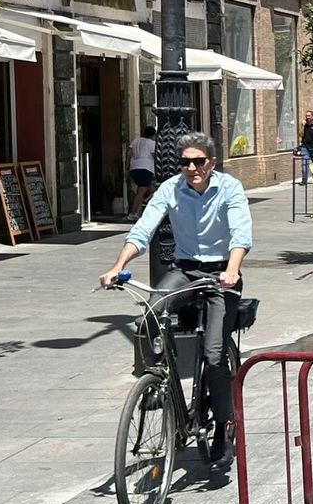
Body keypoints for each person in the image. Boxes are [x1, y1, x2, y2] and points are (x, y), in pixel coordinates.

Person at [100, 132, 252, 467]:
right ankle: (157, 380)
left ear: (211, 163)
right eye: (185, 162)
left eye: (198, 161)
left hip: (221, 274)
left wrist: (232, 269)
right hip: (185, 270)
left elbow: (241, 234)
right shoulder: (170, 188)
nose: (192, 168)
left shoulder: (229, 188)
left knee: (214, 355)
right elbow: (143, 229)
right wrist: (117, 266)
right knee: (150, 314)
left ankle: (223, 427)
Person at [127, 126, 157, 218]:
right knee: (141, 191)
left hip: (134, 168)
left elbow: (129, 154)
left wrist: (127, 167)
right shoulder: (152, 143)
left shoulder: (135, 141)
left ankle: (142, 211)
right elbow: (155, 156)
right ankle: (133, 213)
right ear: (153, 135)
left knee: (148, 189)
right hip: (146, 168)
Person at [298, 110, 313, 176]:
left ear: (312, 116)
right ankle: (304, 180)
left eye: (309, 116)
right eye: (306, 116)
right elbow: (300, 135)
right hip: (305, 147)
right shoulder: (304, 125)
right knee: (304, 164)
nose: (307, 117)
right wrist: (302, 126)